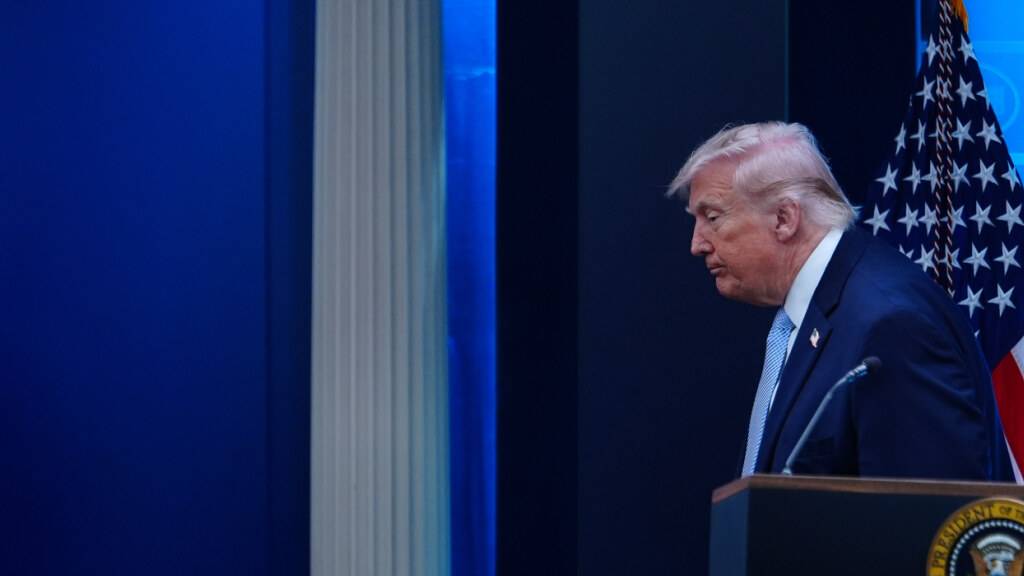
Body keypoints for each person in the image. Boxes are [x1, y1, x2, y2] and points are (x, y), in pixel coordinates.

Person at [670, 122, 1013, 481]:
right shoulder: (812, 315)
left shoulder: (889, 323)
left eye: (712, 217)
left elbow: (924, 515)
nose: (697, 244)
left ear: (784, 219)